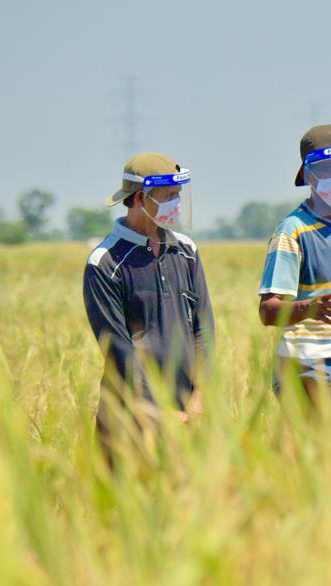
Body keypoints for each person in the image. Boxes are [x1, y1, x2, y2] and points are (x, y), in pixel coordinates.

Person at [84, 152, 214, 463]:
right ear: (141, 198)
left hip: (188, 415)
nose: (177, 203)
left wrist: (199, 397)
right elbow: (118, 350)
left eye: (179, 195)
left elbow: (203, 329)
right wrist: (159, 411)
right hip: (130, 418)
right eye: (170, 196)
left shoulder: (186, 252)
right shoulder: (105, 263)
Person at [257, 125, 331, 420]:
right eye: (329, 168)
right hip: (308, 370)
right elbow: (267, 311)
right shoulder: (292, 230)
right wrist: (309, 309)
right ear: (309, 175)